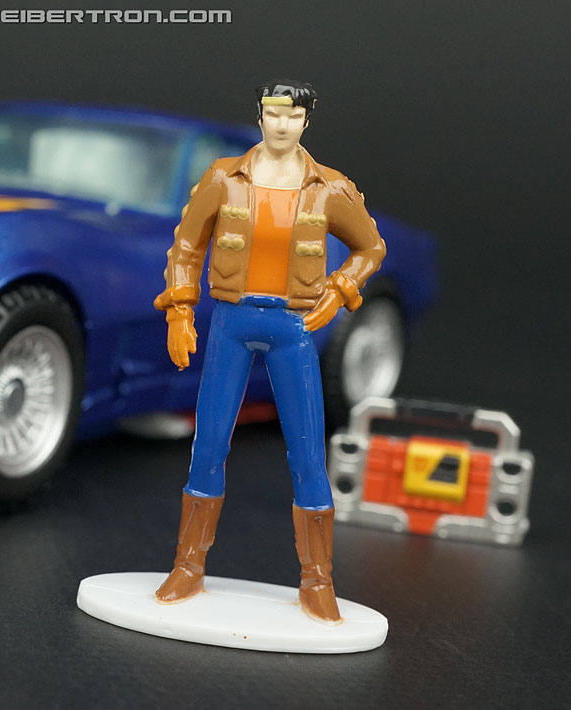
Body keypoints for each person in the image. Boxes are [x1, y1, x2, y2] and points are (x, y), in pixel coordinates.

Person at [153, 79, 386, 622]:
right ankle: (188, 566)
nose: (282, 125)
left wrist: (339, 290)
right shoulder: (222, 178)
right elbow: (186, 245)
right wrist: (180, 310)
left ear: (306, 121)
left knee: (307, 455)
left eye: (293, 116)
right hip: (231, 322)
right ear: (259, 117)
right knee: (209, 445)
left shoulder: (329, 188)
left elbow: (370, 247)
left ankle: (317, 580)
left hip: (292, 327)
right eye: (272, 114)